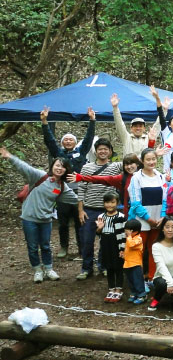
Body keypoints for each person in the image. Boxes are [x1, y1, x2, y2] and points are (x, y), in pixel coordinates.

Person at [1, 147, 77, 282]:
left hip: (46, 219)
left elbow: (76, 200)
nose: (59, 168)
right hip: (29, 218)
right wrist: (10, 157)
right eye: (57, 165)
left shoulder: (62, 187)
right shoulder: (40, 176)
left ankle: (49, 269)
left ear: (66, 170)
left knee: (46, 245)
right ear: (52, 166)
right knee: (32, 246)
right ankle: (37, 270)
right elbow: (25, 167)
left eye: (63, 167)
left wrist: (94, 205)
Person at [40, 105, 96, 258]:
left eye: (71, 139)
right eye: (66, 140)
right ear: (63, 143)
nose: (69, 141)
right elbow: (50, 141)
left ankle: (81, 248)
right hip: (63, 192)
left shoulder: (81, 152)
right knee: (63, 222)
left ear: (75, 142)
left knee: (80, 222)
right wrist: (44, 123)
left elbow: (89, 139)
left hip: (79, 193)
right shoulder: (59, 154)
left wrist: (92, 121)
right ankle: (64, 247)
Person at [77, 138, 122, 280]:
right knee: (87, 241)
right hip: (89, 209)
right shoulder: (86, 168)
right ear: (95, 151)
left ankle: (103, 266)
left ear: (110, 151)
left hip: (108, 211)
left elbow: (134, 161)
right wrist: (80, 210)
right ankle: (86, 268)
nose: (103, 151)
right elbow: (81, 189)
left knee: (107, 241)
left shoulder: (115, 167)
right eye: (100, 149)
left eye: (106, 149)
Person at [128, 147, 167, 279]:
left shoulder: (160, 176)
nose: (151, 162)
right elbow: (135, 202)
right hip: (142, 221)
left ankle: (152, 277)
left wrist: (162, 217)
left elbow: (165, 198)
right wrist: (148, 218)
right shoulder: (136, 178)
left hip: (158, 220)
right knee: (138, 250)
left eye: (153, 159)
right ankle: (138, 280)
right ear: (142, 161)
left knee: (154, 250)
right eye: (148, 159)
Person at [148, 216, 173, 311]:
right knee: (162, 284)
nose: (170, 230)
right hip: (162, 277)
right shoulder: (156, 246)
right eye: (167, 227)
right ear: (162, 229)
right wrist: (170, 283)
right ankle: (157, 298)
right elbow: (161, 266)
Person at [96, 192, 126, 303]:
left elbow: (124, 235)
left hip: (116, 244)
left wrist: (123, 249)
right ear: (104, 203)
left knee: (118, 266)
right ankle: (111, 288)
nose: (110, 205)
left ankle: (119, 289)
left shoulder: (121, 217)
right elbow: (98, 233)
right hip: (105, 243)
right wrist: (99, 228)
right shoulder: (101, 217)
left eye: (112, 202)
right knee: (108, 266)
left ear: (117, 203)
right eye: (107, 202)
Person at [111, 92, 156, 156]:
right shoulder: (126, 138)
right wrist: (115, 108)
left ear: (144, 129)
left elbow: (157, 125)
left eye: (140, 126)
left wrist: (164, 110)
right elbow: (119, 124)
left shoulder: (149, 138)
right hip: (129, 165)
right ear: (131, 128)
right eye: (135, 126)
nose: (138, 128)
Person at [122, 219, 146, 304]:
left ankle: (142, 295)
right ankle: (134, 293)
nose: (126, 232)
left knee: (137, 280)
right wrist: (123, 254)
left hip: (136, 264)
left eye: (128, 231)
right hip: (128, 263)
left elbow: (131, 245)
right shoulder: (130, 238)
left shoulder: (138, 239)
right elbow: (128, 249)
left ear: (135, 231)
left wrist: (128, 237)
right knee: (130, 280)